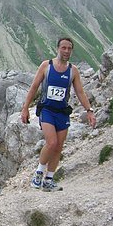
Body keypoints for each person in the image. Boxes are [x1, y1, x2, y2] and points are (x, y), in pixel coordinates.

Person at [21, 37, 96, 192]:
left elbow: (80, 92)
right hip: (47, 110)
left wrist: (89, 110)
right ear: (58, 48)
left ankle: (49, 179)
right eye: (64, 48)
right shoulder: (46, 66)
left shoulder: (73, 71)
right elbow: (34, 87)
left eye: (69, 48)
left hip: (62, 112)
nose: (66, 51)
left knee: (58, 147)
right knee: (52, 143)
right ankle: (38, 173)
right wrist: (25, 108)